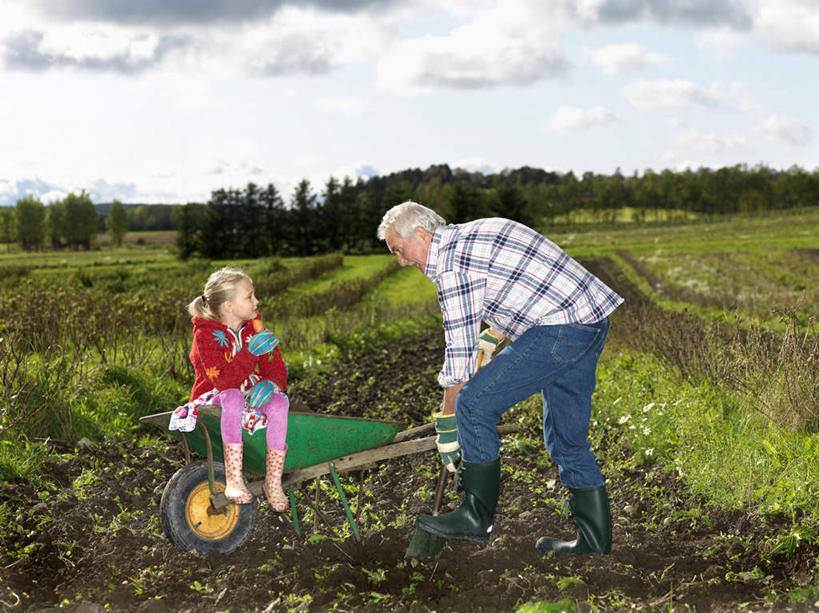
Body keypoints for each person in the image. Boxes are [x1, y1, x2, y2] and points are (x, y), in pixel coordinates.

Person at [377, 201, 623, 555]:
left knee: (474, 403)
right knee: (567, 440)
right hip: (589, 320)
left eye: (398, 251)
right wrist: (496, 332)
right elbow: (519, 280)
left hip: (559, 328)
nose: (401, 261)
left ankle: (475, 518)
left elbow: (459, 361)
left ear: (420, 234)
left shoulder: (450, 267)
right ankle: (593, 542)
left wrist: (448, 426)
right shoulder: (471, 234)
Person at [169, 266, 290, 512]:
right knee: (233, 396)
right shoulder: (206, 335)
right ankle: (234, 480)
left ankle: (273, 482)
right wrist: (250, 353)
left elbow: (276, 367)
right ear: (228, 306)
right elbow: (223, 383)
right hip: (213, 398)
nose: (256, 301)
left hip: (247, 398)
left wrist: (272, 384)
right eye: (249, 296)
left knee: (280, 402)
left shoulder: (254, 329)